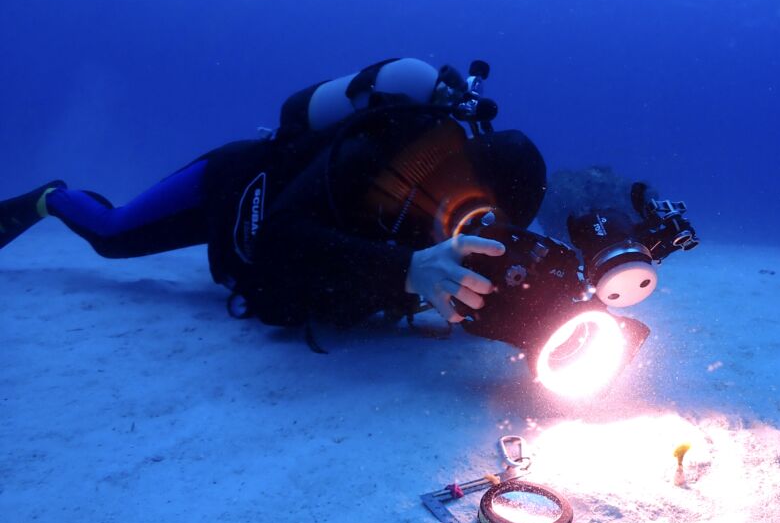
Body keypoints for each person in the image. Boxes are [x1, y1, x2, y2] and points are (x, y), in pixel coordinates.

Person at [0, 58, 547, 329]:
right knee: (114, 236)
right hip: (230, 183)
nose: (474, 226)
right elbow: (283, 236)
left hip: (270, 236)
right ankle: (51, 197)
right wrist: (406, 269)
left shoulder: (441, 220)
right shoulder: (375, 154)